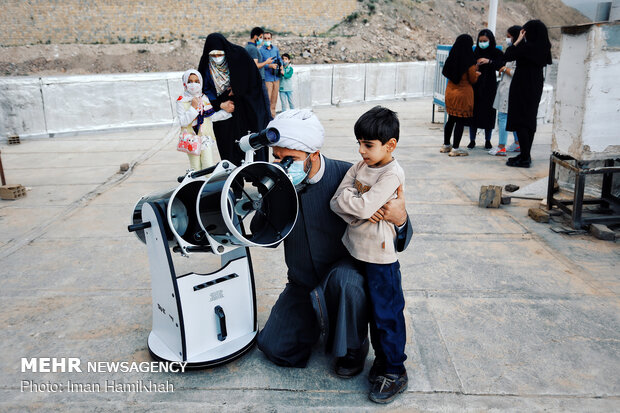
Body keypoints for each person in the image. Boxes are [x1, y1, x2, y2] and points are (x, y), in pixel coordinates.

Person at [256, 109, 413, 389]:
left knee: (347, 282)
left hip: (343, 279)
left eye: (288, 159)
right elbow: (266, 237)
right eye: (276, 158)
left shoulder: (347, 175)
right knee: (276, 348)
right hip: (301, 284)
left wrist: (400, 218)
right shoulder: (278, 184)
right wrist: (266, 201)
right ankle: (319, 322)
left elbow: (400, 234)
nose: (280, 165)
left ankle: (354, 346)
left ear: (313, 155)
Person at [330, 106, 408, 404]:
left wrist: (355, 203)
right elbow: (336, 203)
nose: (361, 150)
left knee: (386, 315)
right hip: (356, 252)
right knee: (363, 308)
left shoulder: (392, 174)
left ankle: (394, 370)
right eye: (359, 143)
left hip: (381, 259)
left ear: (390, 145)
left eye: (368, 145)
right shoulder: (361, 166)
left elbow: (356, 206)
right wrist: (357, 203)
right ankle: (373, 359)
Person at [197, 33, 272, 166]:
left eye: (219, 54)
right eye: (212, 55)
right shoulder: (206, 66)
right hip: (223, 110)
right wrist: (220, 104)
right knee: (227, 145)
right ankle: (235, 182)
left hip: (245, 107)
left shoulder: (238, 55)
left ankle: (259, 175)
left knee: (251, 143)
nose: (216, 58)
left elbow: (252, 79)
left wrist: (237, 90)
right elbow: (204, 90)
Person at [504, 20, 552, 168]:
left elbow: (508, 55)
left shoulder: (526, 47)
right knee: (529, 119)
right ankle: (525, 154)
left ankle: (524, 158)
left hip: (523, 82)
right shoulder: (544, 47)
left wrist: (518, 41)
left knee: (520, 119)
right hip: (535, 82)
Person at [176, 69, 234, 170]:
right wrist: (193, 108)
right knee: (196, 167)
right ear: (185, 83)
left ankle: (207, 185)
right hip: (191, 139)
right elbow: (183, 122)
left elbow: (211, 116)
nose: (193, 85)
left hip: (204, 138)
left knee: (208, 165)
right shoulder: (181, 101)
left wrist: (227, 112)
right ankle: (197, 185)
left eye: (196, 81)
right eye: (189, 81)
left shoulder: (204, 98)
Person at [441, 34, 480, 157]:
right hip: (463, 94)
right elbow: (472, 79)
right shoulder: (469, 60)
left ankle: (446, 145)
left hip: (450, 92)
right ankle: (456, 148)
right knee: (460, 121)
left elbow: (447, 72)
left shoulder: (452, 58)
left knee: (451, 119)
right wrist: (477, 73)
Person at [468, 29, 504, 150]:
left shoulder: (496, 52)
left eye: (485, 41)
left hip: (489, 86)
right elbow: (469, 66)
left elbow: (502, 64)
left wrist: (489, 62)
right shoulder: (475, 52)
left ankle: (488, 140)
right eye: (480, 41)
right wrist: (476, 65)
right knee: (473, 114)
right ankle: (472, 140)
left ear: (490, 41)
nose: (482, 43)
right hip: (476, 86)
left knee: (489, 114)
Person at [490, 26, 522, 156]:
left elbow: (517, 73)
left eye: (509, 36)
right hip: (506, 88)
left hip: (510, 89)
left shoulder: (518, 53)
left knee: (503, 117)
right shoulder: (513, 52)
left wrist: (504, 69)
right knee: (512, 117)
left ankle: (501, 146)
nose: (507, 39)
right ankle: (517, 143)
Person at [260, 32, 282, 118]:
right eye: (265, 38)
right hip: (267, 78)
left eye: (268, 38)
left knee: (274, 99)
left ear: (271, 39)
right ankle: (266, 118)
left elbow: (279, 59)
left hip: (276, 77)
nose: (267, 40)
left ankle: (273, 118)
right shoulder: (260, 50)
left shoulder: (275, 49)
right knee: (267, 100)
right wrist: (269, 65)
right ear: (263, 39)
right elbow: (260, 64)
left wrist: (282, 67)